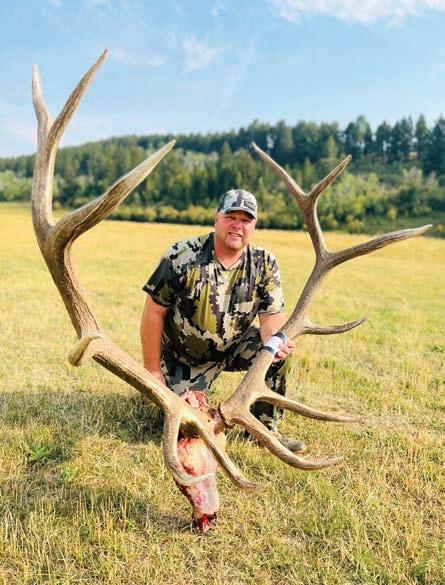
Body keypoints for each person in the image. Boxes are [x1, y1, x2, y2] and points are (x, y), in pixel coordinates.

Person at [140, 189, 305, 452]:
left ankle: (264, 431)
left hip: (233, 346)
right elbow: (153, 312)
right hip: (184, 358)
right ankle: (178, 390)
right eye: (231, 217)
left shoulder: (264, 263)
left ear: (253, 226)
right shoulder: (182, 256)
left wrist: (273, 339)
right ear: (217, 218)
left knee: (276, 354)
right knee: (185, 427)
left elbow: (271, 318)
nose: (237, 225)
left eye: (245, 220)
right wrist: (152, 371)